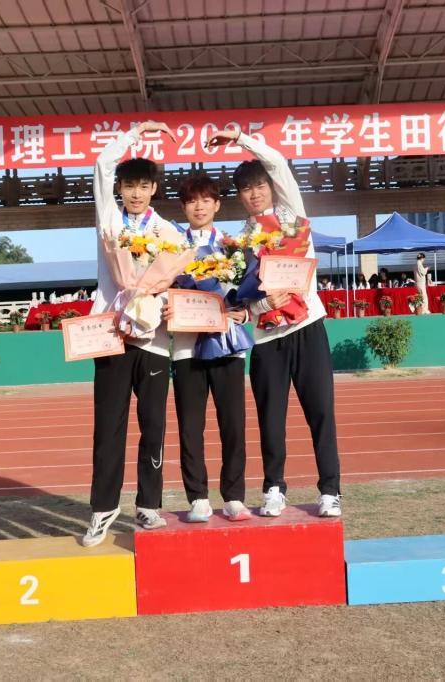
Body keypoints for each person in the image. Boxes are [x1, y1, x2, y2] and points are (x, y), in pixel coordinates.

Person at [206, 127, 342, 518]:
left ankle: (330, 491)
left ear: (271, 187)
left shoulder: (293, 217)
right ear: (240, 196)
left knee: (321, 412)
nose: (254, 194)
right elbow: (242, 299)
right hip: (267, 338)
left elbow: (279, 162)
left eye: (260, 186)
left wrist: (240, 139)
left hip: (308, 327)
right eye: (246, 189)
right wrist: (258, 305)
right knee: (270, 419)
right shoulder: (239, 244)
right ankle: (273, 489)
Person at [83, 120, 178, 548]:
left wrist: (165, 299)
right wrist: (137, 132)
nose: (136, 193)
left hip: (153, 339)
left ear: (154, 188)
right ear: (119, 188)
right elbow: (102, 164)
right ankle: (102, 509)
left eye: (143, 186)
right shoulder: (108, 218)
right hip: (111, 334)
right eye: (129, 185)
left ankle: (148, 504)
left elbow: (177, 277)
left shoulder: (168, 232)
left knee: (153, 425)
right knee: (108, 427)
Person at [167, 174, 251, 523]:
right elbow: (161, 287)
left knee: (233, 424)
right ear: (183, 207)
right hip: (187, 348)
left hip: (227, 343)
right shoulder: (172, 247)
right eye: (191, 201)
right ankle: (198, 498)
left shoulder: (234, 246)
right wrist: (166, 307)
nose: (199, 207)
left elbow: (248, 293)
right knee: (190, 427)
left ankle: (234, 497)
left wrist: (244, 312)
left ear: (217, 204)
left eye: (205, 200)